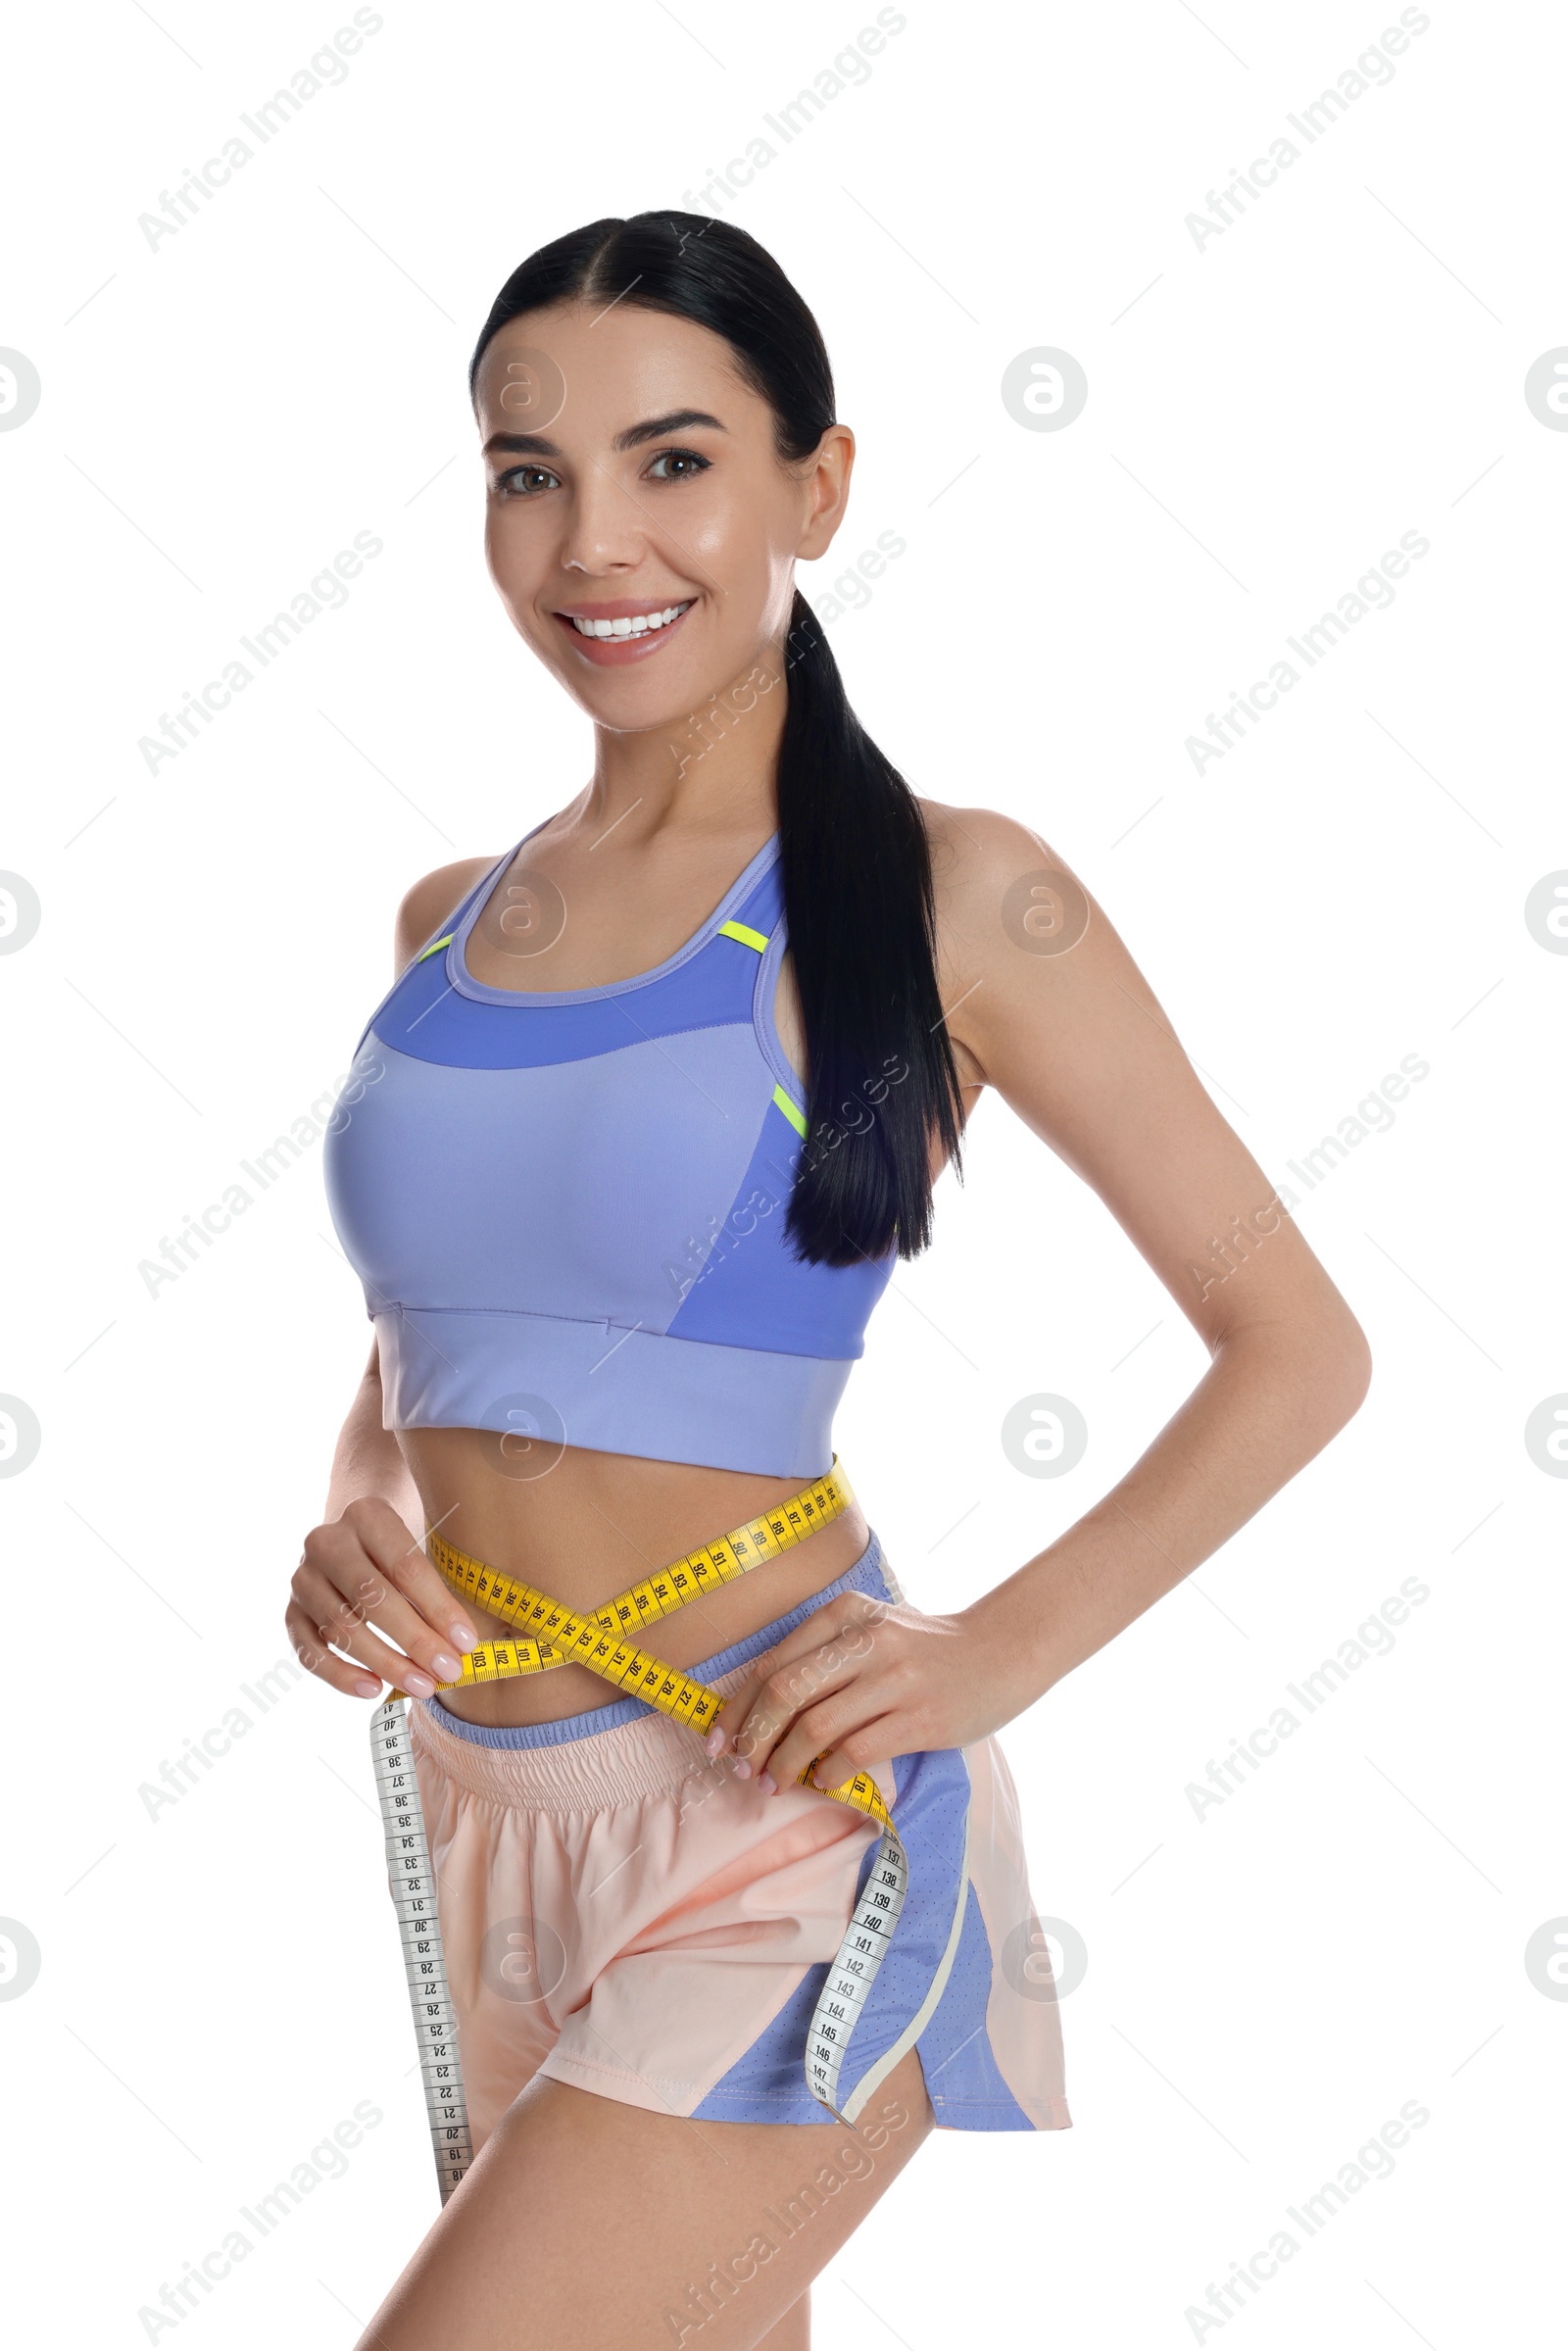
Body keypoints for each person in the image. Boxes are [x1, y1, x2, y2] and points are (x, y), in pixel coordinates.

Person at [291, 211, 1371, 2350]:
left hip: (785, 1835)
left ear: (817, 484)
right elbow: (417, 1364)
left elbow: (1295, 1347)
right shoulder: (445, 916)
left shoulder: (955, 893)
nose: (594, 537)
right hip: (489, 1820)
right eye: (530, 473)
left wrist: (990, 1655)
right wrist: (363, 1519)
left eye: (671, 459)